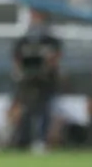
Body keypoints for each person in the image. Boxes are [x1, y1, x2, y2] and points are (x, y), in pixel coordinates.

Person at [12, 9, 61, 152]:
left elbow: (55, 59)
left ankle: (42, 140)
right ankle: (23, 140)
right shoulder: (23, 40)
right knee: (26, 111)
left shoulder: (51, 40)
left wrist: (45, 64)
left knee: (44, 111)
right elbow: (17, 60)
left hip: (46, 81)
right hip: (27, 81)